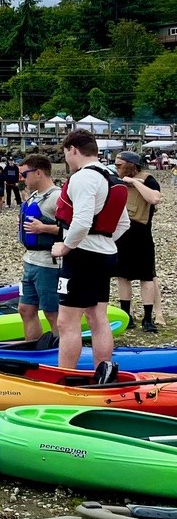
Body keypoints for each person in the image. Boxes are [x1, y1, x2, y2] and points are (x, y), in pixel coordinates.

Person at [51, 129, 129, 370]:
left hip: (82, 256)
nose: (66, 159)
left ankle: (64, 378)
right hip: (105, 254)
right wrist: (103, 240)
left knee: (67, 322)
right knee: (97, 317)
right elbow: (123, 222)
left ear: (73, 150)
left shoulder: (83, 177)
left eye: (66, 154)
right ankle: (102, 372)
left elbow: (82, 221)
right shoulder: (110, 176)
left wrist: (66, 246)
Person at [113, 150, 162, 332]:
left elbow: (154, 198)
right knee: (123, 276)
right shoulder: (116, 179)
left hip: (141, 233)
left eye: (119, 165)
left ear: (129, 164)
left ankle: (148, 318)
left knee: (146, 276)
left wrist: (133, 182)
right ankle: (127, 316)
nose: (116, 168)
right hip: (121, 233)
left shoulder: (147, 179)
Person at [17, 155, 62, 341]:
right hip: (30, 260)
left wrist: (43, 228)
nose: (22, 179)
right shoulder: (34, 196)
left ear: (38, 173)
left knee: (52, 312)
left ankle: (61, 350)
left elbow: (73, 229)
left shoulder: (58, 197)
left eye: (24, 174)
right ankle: (32, 349)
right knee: (25, 309)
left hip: (48, 263)